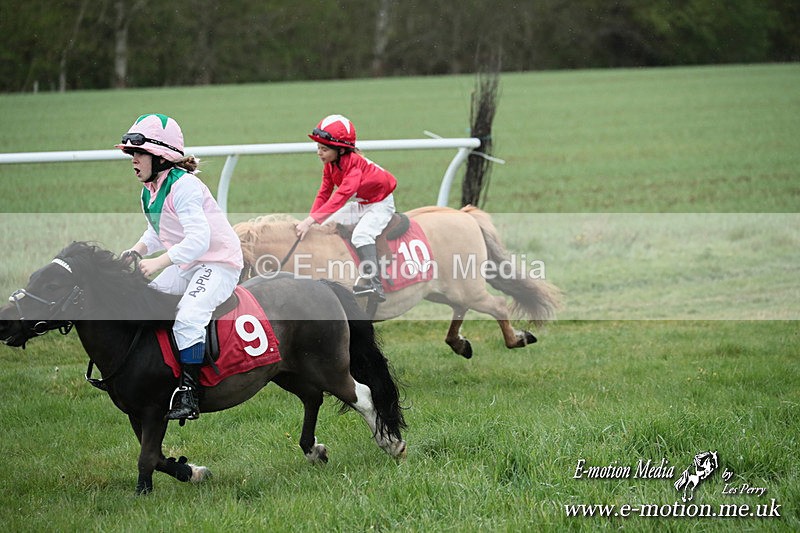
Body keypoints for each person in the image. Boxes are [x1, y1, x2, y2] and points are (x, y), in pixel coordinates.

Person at [116, 113, 243, 421]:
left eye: (139, 153)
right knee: (147, 303)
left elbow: (199, 240)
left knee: (188, 315)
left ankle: (189, 391)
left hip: (219, 263)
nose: (133, 160)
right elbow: (158, 232)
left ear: (161, 157)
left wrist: (158, 262)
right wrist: (136, 251)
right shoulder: (149, 190)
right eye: (131, 154)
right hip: (189, 262)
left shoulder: (185, 187)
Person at [295, 114, 397, 301]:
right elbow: (324, 193)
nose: (319, 153)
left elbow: (339, 198)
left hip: (380, 204)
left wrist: (310, 221)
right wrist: (311, 220)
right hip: (362, 203)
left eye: (324, 149)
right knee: (326, 225)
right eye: (318, 148)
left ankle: (374, 284)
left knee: (361, 235)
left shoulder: (354, 167)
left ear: (341, 150)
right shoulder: (331, 164)